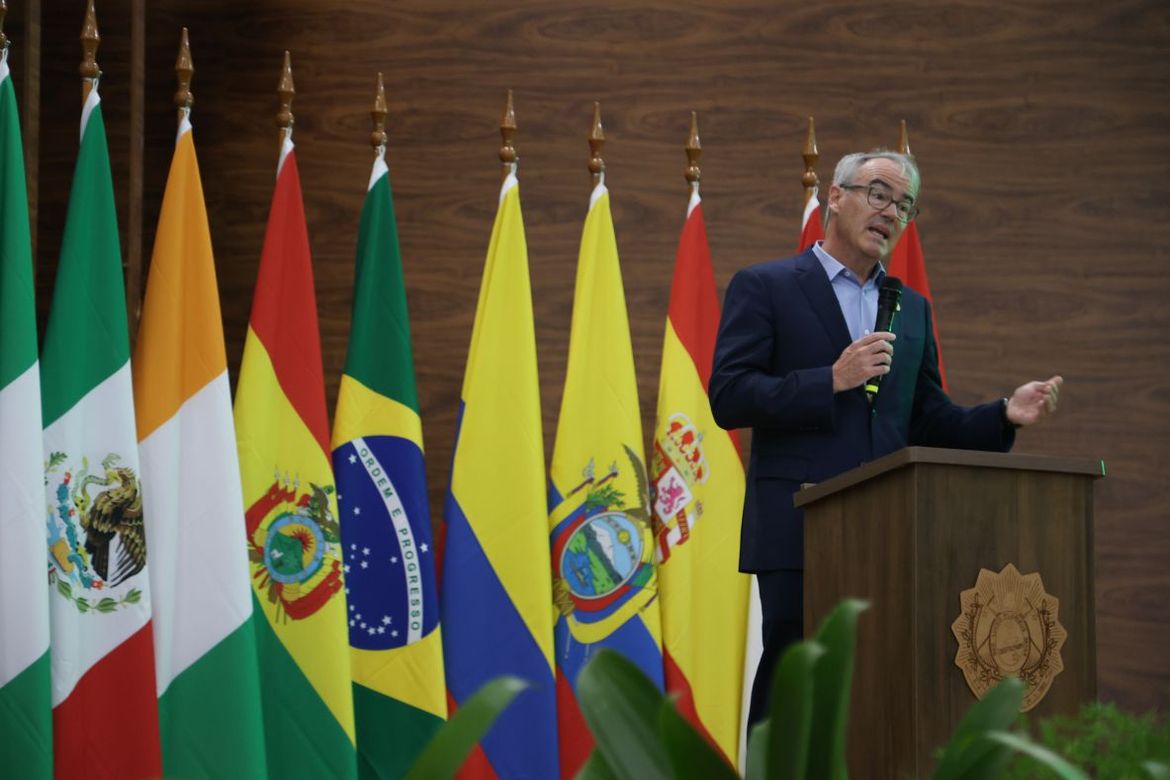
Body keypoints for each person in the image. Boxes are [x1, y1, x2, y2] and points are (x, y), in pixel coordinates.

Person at [708, 150, 1061, 727]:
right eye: (878, 195)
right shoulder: (766, 285)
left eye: (903, 206)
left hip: (891, 533)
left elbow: (927, 421)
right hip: (800, 526)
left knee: (878, 689)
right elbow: (730, 395)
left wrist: (1003, 415)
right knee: (798, 683)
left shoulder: (910, 309)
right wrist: (831, 379)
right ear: (836, 196)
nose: (890, 213)